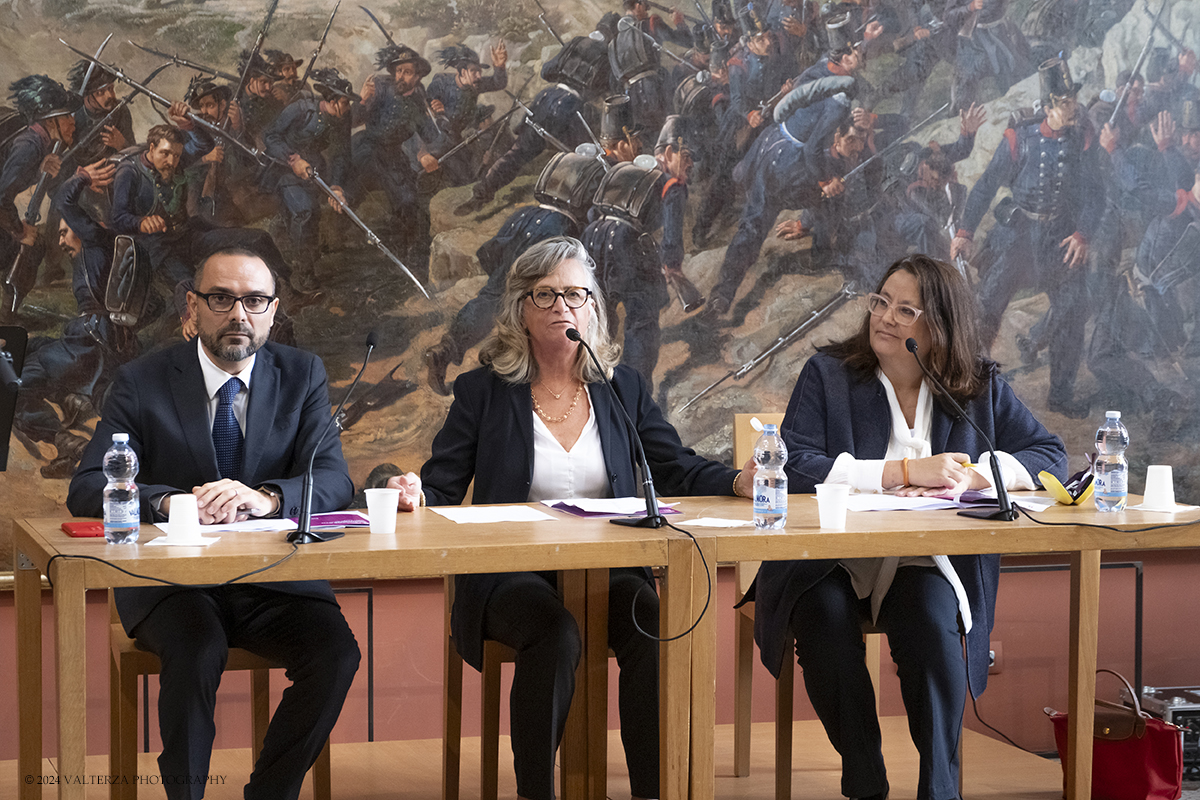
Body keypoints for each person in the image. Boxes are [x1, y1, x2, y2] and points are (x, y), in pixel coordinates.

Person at [387, 236, 756, 800]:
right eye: (546, 294)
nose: (562, 306)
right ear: (521, 309)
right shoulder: (482, 391)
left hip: (611, 568)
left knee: (654, 626)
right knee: (555, 634)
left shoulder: (621, 386)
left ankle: (652, 792)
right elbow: (441, 485)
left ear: (593, 307)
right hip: (510, 574)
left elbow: (672, 463)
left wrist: (735, 479)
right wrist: (413, 490)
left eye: (575, 294)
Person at [748, 254, 1067, 800]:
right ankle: (865, 774)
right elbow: (792, 464)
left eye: (905, 309)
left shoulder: (978, 385)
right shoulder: (828, 375)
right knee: (822, 617)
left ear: (938, 326)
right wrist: (899, 472)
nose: (885, 317)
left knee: (931, 626)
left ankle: (939, 789)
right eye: (880, 302)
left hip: (926, 558)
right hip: (829, 557)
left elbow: (1049, 455)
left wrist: (976, 477)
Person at [65, 245, 360, 800]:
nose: (238, 315)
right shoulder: (142, 380)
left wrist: (267, 497)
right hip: (172, 584)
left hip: (273, 577)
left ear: (274, 310)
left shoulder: (303, 375)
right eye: (221, 299)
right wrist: (172, 502)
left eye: (254, 300)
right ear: (192, 307)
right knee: (198, 650)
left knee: (337, 654)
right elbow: (85, 490)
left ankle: (269, 793)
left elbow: (336, 482)